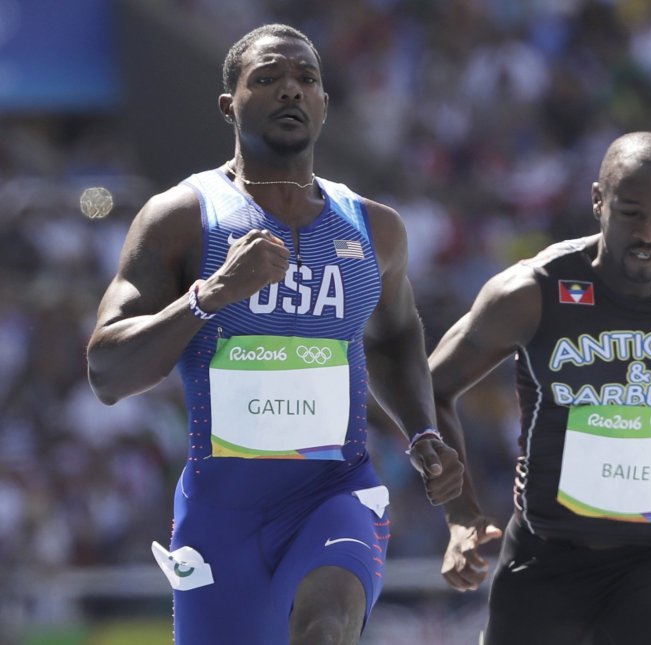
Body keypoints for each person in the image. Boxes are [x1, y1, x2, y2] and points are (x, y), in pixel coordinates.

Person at [86, 23, 462, 645]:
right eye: (267, 78)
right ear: (228, 105)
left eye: (305, 79)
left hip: (335, 491)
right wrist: (210, 297)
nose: (291, 90)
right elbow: (106, 373)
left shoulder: (375, 229)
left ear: (324, 103)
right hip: (220, 518)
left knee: (325, 627)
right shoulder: (182, 217)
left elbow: (395, 340)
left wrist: (422, 430)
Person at [430, 131, 651, 644]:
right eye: (630, 213)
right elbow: (429, 392)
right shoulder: (533, 293)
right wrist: (460, 513)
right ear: (598, 200)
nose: (647, 232)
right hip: (544, 562)